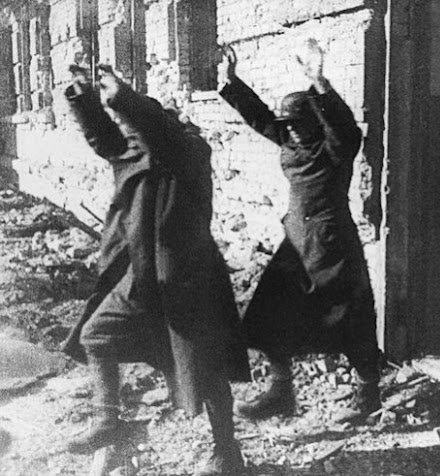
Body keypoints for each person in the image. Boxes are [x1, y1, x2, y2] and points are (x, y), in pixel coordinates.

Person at [61, 64, 249, 476]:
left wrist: (123, 98)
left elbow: (155, 128)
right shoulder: (138, 152)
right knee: (97, 334)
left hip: (186, 277)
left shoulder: (188, 150)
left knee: (204, 365)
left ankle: (227, 452)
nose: (129, 133)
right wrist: (83, 97)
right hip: (143, 275)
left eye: (138, 123)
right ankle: (109, 421)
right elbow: (104, 137)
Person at [218, 39, 382, 425]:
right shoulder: (291, 143)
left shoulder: (334, 149)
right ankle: (281, 392)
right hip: (296, 242)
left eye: (296, 123)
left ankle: (368, 394)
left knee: (350, 317)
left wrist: (320, 83)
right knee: (267, 311)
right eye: (286, 124)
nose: (289, 129)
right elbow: (260, 118)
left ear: (313, 121)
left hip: (331, 243)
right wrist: (231, 82)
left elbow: (345, 129)